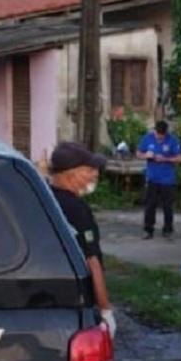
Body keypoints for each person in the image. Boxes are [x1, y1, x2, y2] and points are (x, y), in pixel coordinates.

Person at [49, 142, 116, 336]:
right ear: (72, 173)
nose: (95, 175)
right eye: (90, 170)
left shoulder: (46, 199)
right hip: (77, 298)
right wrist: (105, 309)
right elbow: (91, 260)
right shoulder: (77, 209)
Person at [137, 120, 181, 239]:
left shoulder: (172, 140)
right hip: (152, 178)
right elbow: (138, 153)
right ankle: (148, 230)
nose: (159, 137)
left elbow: (180, 158)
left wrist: (165, 159)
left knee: (168, 206)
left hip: (167, 179)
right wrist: (146, 156)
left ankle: (168, 230)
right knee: (150, 205)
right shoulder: (148, 138)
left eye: (162, 135)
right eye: (158, 135)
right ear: (155, 131)